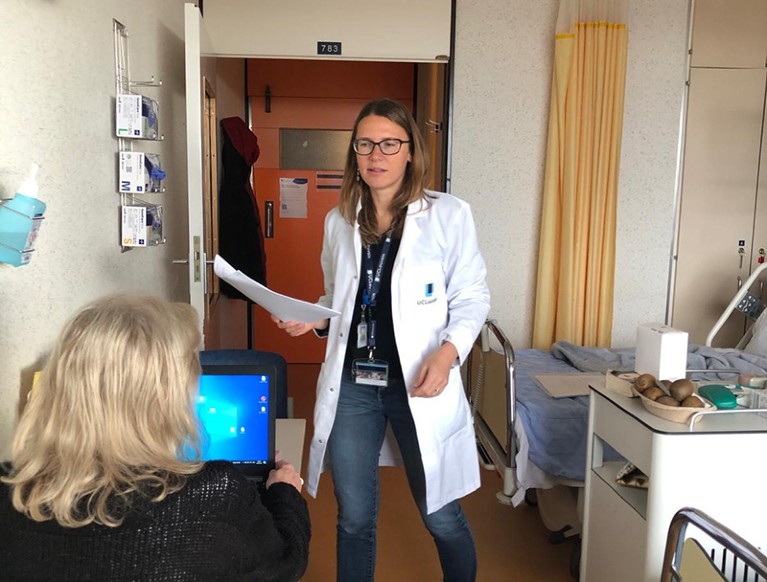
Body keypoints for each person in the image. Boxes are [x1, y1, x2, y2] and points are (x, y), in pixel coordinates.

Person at [273, 98, 490, 582]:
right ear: (354, 152)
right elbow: (342, 297)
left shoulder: (448, 216)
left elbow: (473, 297)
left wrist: (448, 352)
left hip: (418, 382)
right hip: (354, 384)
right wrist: (315, 320)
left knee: (440, 513)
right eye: (365, 143)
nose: (376, 154)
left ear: (410, 152)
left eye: (389, 143)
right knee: (352, 517)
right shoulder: (339, 220)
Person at [0, 294, 310, 582]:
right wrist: (285, 492)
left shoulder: (10, 491)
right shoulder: (213, 494)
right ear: (170, 399)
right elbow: (285, 563)